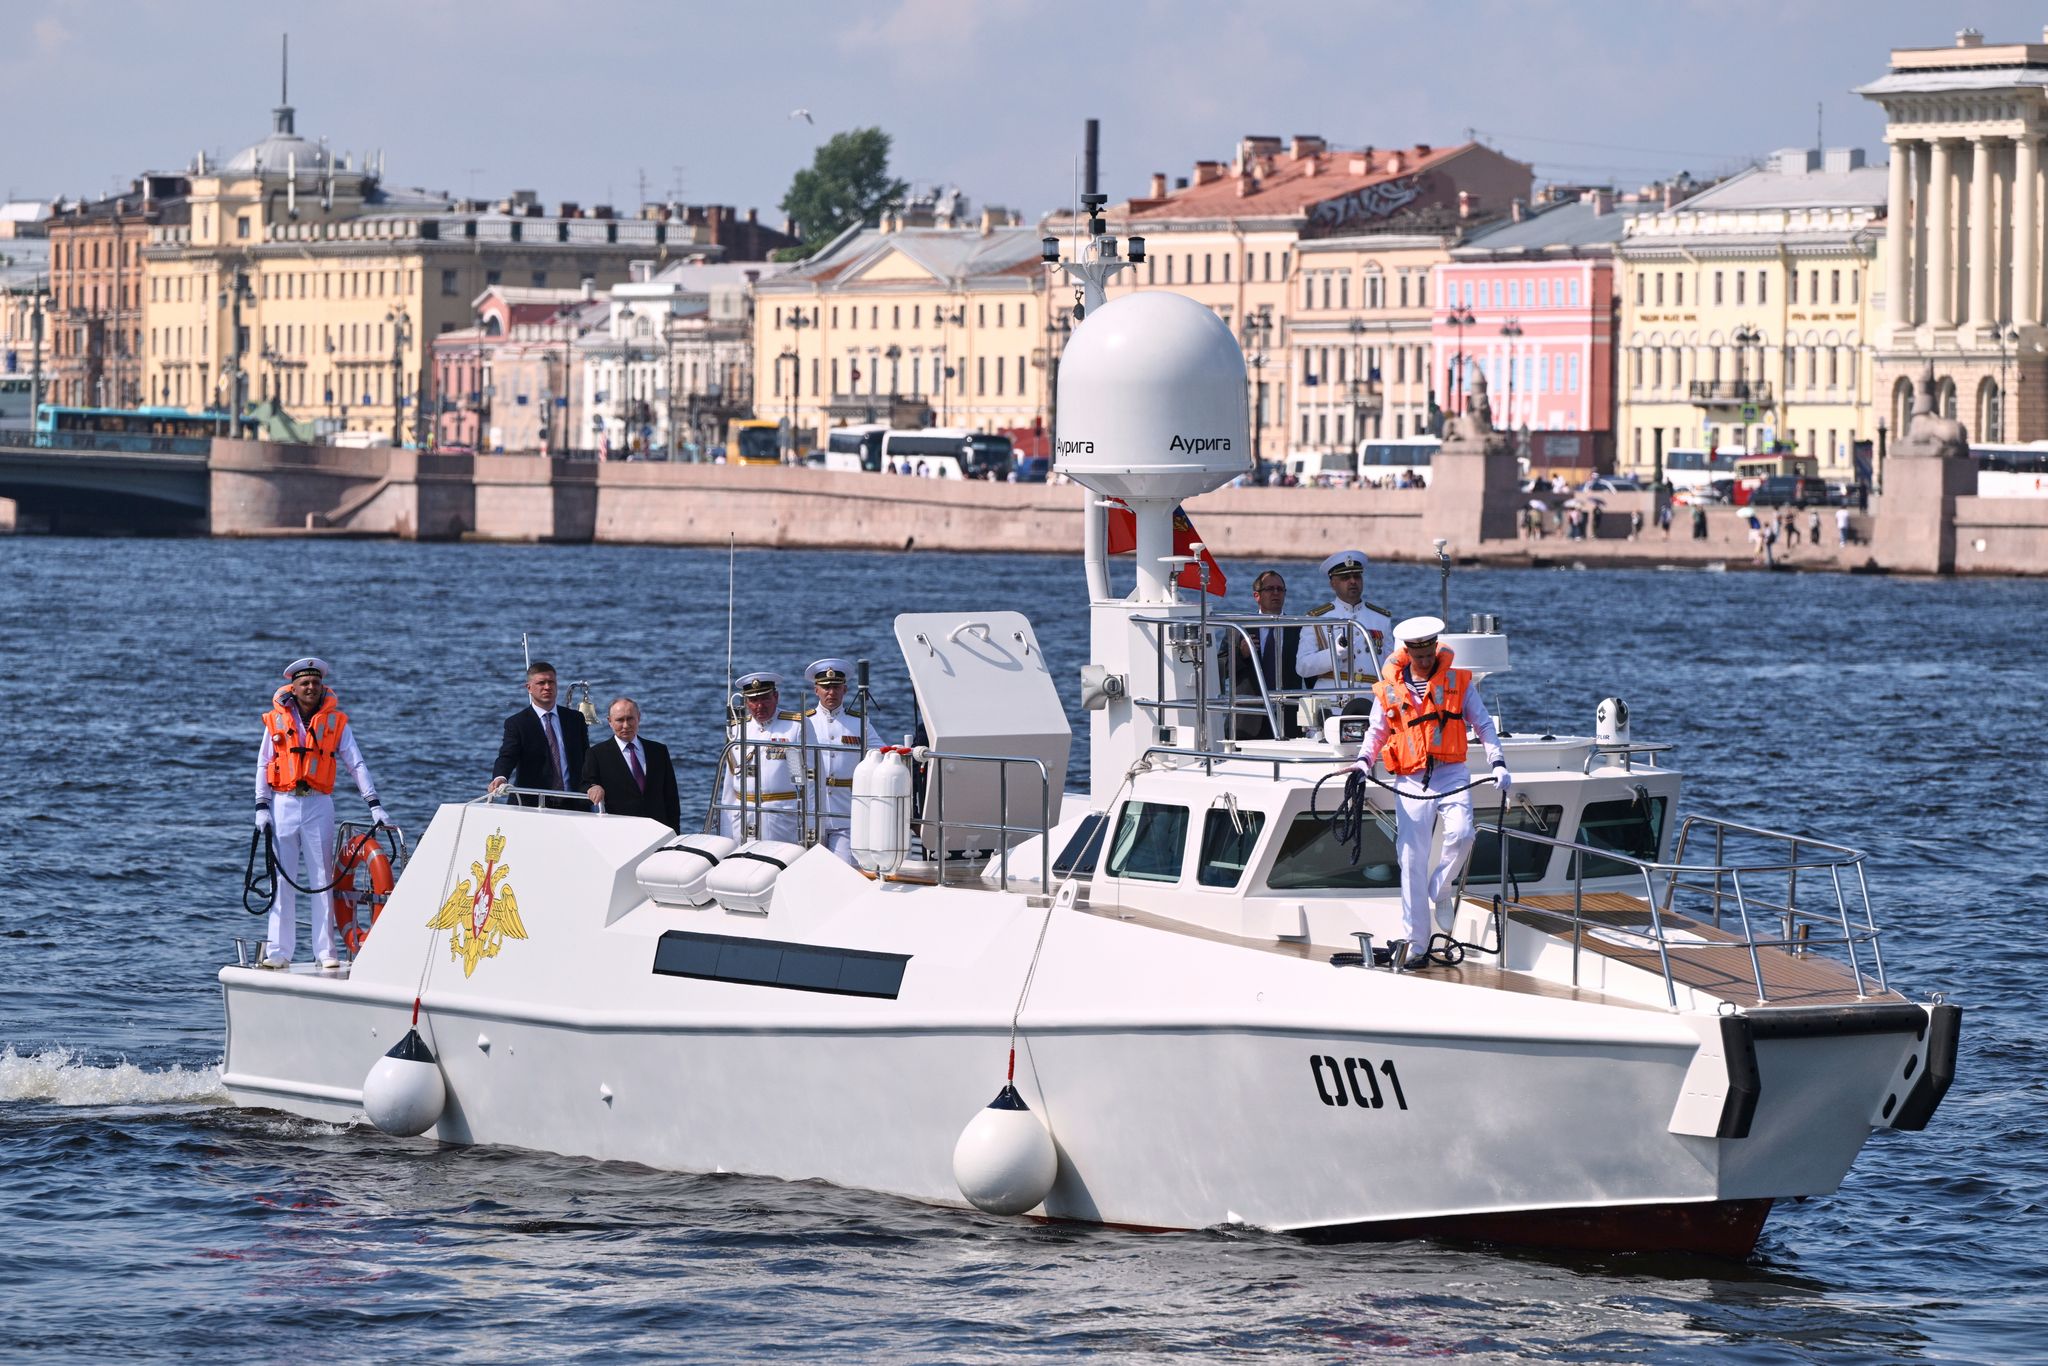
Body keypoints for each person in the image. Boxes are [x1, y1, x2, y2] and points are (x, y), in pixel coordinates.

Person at [1350, 617, 1509, 971]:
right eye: (1417, 656)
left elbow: (1482, 723)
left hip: (1451, 772)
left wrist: (1497, 761)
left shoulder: (1458, 681)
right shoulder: (1389, 687)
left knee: (1463, 834)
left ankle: (1442, 887)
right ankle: (1417, 943)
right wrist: (1363, 762)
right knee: (1410, 859)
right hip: (1409, 778)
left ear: (1435, 648)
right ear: (1407, 652)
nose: (1423, 662)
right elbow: (1377, 731)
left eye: (1428, 654)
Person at [255, 658, 388, 970]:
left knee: (322, 879)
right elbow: (263, 763)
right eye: (304, 683)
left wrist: (374, 804)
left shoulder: (337, 722)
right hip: (284, 802)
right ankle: (278, 952)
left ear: (321, 685)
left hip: (319, 803)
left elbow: (356, 763)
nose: (310, 688)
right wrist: (261, 806)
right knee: (282, 879)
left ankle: (325, 951)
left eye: (315, 682)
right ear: (294, 687)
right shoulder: (276, 721)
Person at [1297, 550, 1391, 713]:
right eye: (1345, 578)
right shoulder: (1317, 618)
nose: (1353, 581)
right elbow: (1303, 667)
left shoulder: (1381, 618)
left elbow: (1390, 665)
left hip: (1372, 701)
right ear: (1333, 583)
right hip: (1332, 701)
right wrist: (1333, 654)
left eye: (1357, 576)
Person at [490, 661, 591, 808]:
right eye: (541, 683)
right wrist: (500, 777)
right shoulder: (517, 724)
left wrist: (594, 783)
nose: (547, 687)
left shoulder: (575, 719)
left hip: (574, 802)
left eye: (551, 682)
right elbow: (507, 756)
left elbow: (586, 757)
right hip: (532, 805)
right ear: (529, 688)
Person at [721, 671, 806, 843]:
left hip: (781, 819)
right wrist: (725, 828)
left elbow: (806, 780)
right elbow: (729, 784)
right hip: (743, 817)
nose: (759, 705)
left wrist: (810, 823)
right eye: (753, 700)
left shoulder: (794, 727)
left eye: (765, 698)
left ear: (776, 696)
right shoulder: (737, 729)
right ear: (746, 702)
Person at [801, 658, 868, 863]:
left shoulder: (859, 722)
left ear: (845, 690)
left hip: (844, 811)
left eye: (836, 687)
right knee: (809, 869)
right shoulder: (804, 721)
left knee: (846, 869)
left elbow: (877, 753)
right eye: (826, 687)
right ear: (816, 690)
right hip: (812, 811)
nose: (831, 692)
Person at [582, 696, 681, 830]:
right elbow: (585, 784)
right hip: (620, 830)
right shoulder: (596, 754)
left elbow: (671, 797)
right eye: (619, 720)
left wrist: (674, 831)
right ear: (609, 721)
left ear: (638, 717)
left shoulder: (658, 751)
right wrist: (593, 786)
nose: (626, 725)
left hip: (659, 830)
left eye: (630, 719)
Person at [1232, 570, 1303, 739]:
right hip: (1248, 720)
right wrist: (1241, 654)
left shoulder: (1299, 628)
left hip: (1288, 718)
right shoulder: (1239, 629)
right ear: (1257, 596)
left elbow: (1311, 676)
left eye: (1280, 589)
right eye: (1270, 589)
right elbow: (1220, 669)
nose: (1276, 593)